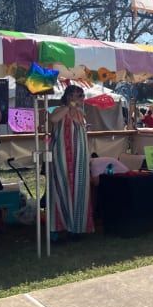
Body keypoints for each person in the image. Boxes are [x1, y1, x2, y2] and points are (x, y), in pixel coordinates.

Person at [49, 85, 94, 236]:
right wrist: (69, 106)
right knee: (62, 188)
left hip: (79, 158)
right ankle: (61, 226)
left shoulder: (82, 114)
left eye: (81, 96)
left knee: (79, 189)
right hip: (62, 157)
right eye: (77, 96)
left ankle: (78, 227)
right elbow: (53, 119)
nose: (81, 99)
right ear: (68, 97)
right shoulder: (59, 110)